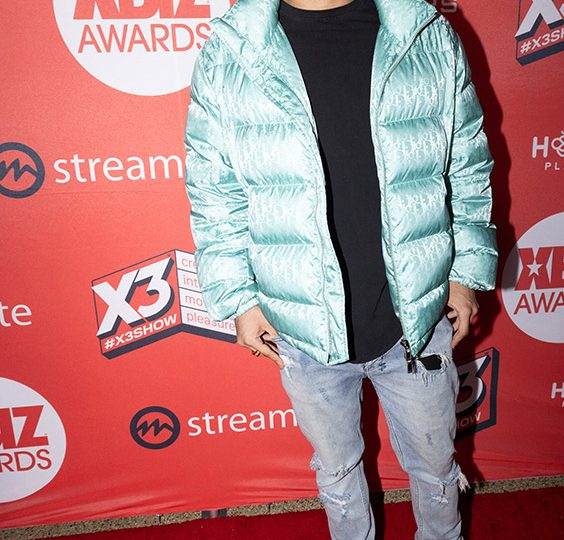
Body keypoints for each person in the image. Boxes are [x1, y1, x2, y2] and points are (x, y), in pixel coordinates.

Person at [183, 0, 497, 538]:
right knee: (338, 473)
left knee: (436, 468)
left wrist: (467, 274)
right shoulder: (231, 49)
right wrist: (237, 298)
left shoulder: (424, 32)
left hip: (416, 318)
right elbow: (214, 191)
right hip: (302, 327)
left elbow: (467, 165)